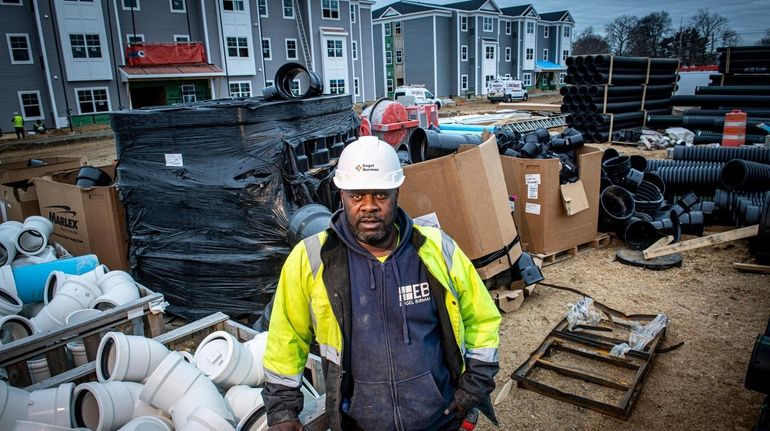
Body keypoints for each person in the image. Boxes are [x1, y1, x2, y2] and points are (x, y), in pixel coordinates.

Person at [262, 136, 502, 431]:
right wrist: (282, 411)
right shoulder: (312, 259)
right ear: (342, 197)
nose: (369, 206)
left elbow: (482, 319)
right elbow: (285, 338)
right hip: (360, 424)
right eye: (357, 196)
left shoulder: (435, 249)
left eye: (380, 195)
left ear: (396, 193)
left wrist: (474, 386)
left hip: (439, 420)